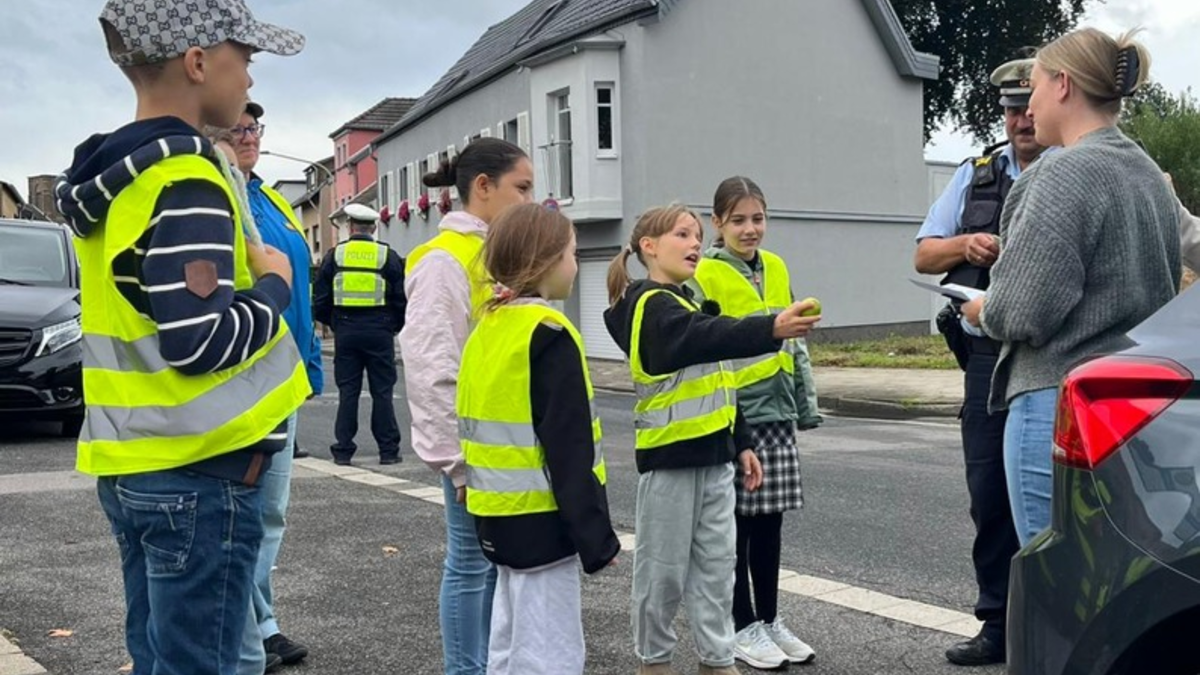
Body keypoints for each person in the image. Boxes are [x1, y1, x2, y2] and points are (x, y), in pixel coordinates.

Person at [55, 1, 309, 673]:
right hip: (200, 471)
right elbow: (199, 343)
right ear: (198, 63)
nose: (249, 79)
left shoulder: (117, 179)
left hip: (135, 462)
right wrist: (274, 288)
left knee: (161, 657)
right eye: (244, 58)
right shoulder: (188, 180)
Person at [962, 29, 1180, 547]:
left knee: (1057, 571)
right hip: (1136, 403)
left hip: (1059, 404)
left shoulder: (1061, 172)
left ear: (1063, 85)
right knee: (1118, 564)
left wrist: (981, 309)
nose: (1029, 106)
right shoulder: (1146, 171)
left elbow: (1021, 314)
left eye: (1035, 86)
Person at [603, 204, 819, 675]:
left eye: (698, 236)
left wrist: (742, 442)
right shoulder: (650, 306)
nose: (695, 244)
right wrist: (771, 327)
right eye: (682, 234)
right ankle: (655, 663)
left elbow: (720, 379)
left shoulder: (684, 303)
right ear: (649, 246)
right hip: (671, 465)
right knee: (661, 575)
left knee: (718, 572)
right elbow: (706, 337)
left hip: (717, 459)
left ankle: (718, 661)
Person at [913, 58, 1046, 667]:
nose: (1022, 121)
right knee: (990, 491)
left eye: (1029, 108)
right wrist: (965, 245)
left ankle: (1053, 623)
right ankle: (997, 622)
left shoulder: (1074, 169)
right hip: (987, 354)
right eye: (1012, 111)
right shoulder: (977, 173)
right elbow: (924, 256)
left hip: (1051, 351)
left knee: (1056, 494)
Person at [457, 203, 620, 675]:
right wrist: (596, 539)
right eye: (572, 253)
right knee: (551, 649)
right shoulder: (549, 334)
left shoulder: (486, 329)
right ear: (546, 261)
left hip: (495, 514)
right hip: (544, 521)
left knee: (508, 641)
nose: (576, 264)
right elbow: (570, 449)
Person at [398, 137, 534, 675]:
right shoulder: (444, 261)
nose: (530, 201)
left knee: (495, 566)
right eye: (522, 188)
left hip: (504, 451)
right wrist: (454, 462)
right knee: (471, 566)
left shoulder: (494, 258)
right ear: (483, 187)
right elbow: (432, 368)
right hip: (473, 455)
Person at [687, 176, 820, 669]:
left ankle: (769, 618)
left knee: (770, 524)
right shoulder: (704, 273)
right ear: (716, 223)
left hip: (777, 410)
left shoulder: (777, 266)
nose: (750, 229)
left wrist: (805, 404)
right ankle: (740, 625)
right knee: (736, 529)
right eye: (738, 220)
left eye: (758, 218)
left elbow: (795, 343)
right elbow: (705, 345)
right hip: (736, 414)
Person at [232, 101, 321, 669]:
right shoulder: (221, 194)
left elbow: (299, 289)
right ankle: (252, 629)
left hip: (284, 376)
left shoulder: (269, 198)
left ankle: (259, 624)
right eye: (238, 128)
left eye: (254, 128)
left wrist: (309, 365)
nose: (249, 137)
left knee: (270, 514)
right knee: (248, 514)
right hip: (247, 378)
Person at [313, 204, 406, 465]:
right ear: (373, 228)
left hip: (346, 330)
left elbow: (320, 299)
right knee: (382, 392)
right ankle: (388, 452)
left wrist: (334, 323)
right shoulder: (387, 256)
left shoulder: (335, 255)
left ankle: (343, 451)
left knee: (348, 392)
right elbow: (401, 298)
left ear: (350, 227)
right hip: (379, 330)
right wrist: (393, 325)